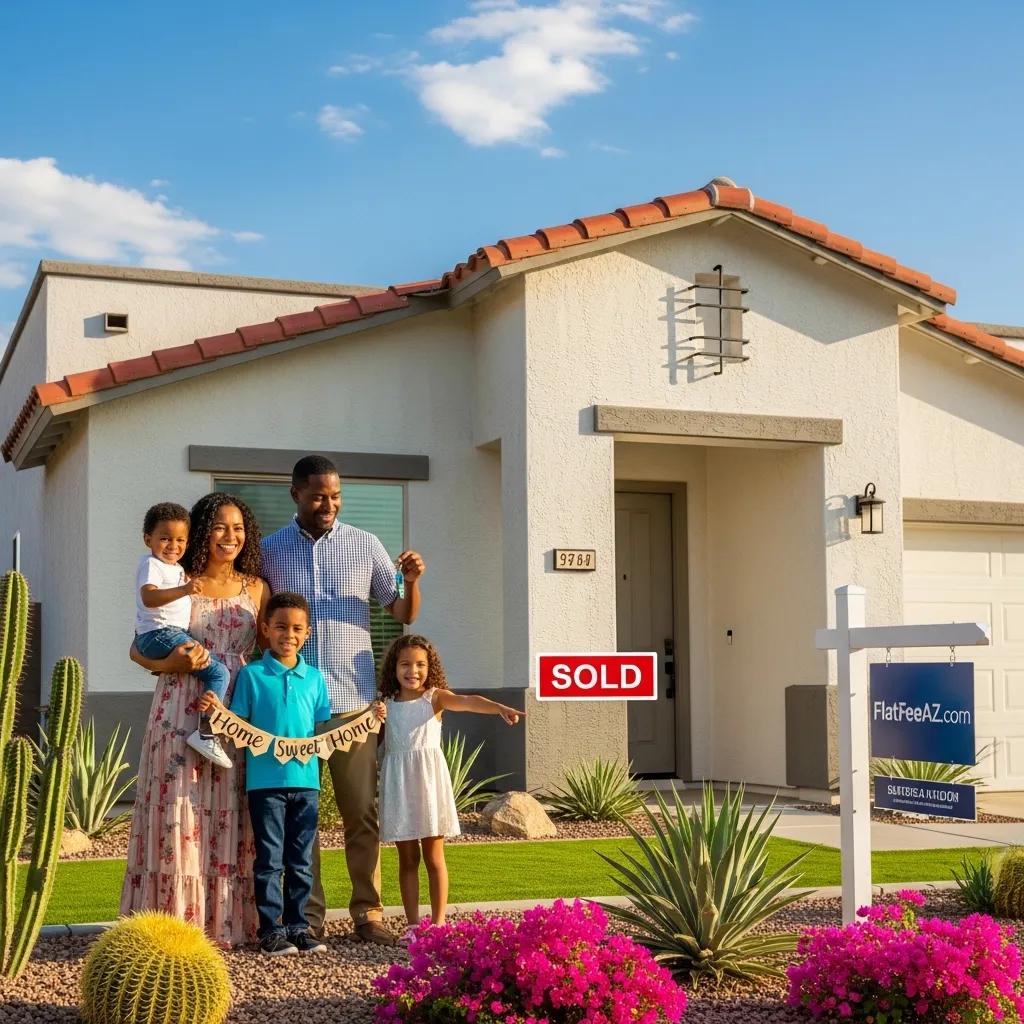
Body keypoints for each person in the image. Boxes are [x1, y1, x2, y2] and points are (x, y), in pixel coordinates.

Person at [261, 454, 425, 945]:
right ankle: (306, 919)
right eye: (318, 496)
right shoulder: (270, 551)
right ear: (296, 495)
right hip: (294, 708)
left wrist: (413, 581)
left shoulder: (365, 545)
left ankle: (367, 914)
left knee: (361, 814)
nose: (328, 504)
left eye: (335, 496)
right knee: (299, 818)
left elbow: (401, 611)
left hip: (353, 702)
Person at [120, 493, 270, 947]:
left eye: (239, 527)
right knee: (176, 810)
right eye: (221, 527)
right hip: (179, 707)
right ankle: (170, 930)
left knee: (232, 813)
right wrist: (174, 667)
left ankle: (229, 925)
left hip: (234, 709)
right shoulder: (179, 578)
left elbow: (269, 650)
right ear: (204, 531)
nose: (231, 536)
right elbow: (138, 646)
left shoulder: (256, 587)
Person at [200, 592, 339, 956]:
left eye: (296, 629)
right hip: (265, 785)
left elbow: (321, 729)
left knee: (301, 861)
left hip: (306, 783)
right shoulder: (252, 674)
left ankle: (298, 927)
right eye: (280, 627)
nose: (288, 635)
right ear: (265, 630)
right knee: (269, 860)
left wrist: (371, 718)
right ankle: (270, 931)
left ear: (307, 633)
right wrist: (215, 710)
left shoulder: (315, 679)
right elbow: (237, 723)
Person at [377, 634, 524, 942]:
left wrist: (498, 707)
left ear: (430, 669)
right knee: (407, 858)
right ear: (394, 667)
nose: (412, 671)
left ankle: (440, 923)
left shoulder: (435, 698)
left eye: (420, 665)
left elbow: (470, 702)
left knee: (433, 856)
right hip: (399, 784)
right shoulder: (385, 705)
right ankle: (414, 925)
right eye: (405, 664)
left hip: (428, 785)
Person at [133, 501, 232, 769]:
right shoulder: (152, 564)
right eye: (165, 538)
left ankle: (205, 726)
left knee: (212, 670)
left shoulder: (175, 568)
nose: (173, 546)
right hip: (161, 634)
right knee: (219, 673)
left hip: (167, 633)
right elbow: (149, 597)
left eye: (180, 540)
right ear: (147, 539)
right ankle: (206, 731)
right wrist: (186, 589)